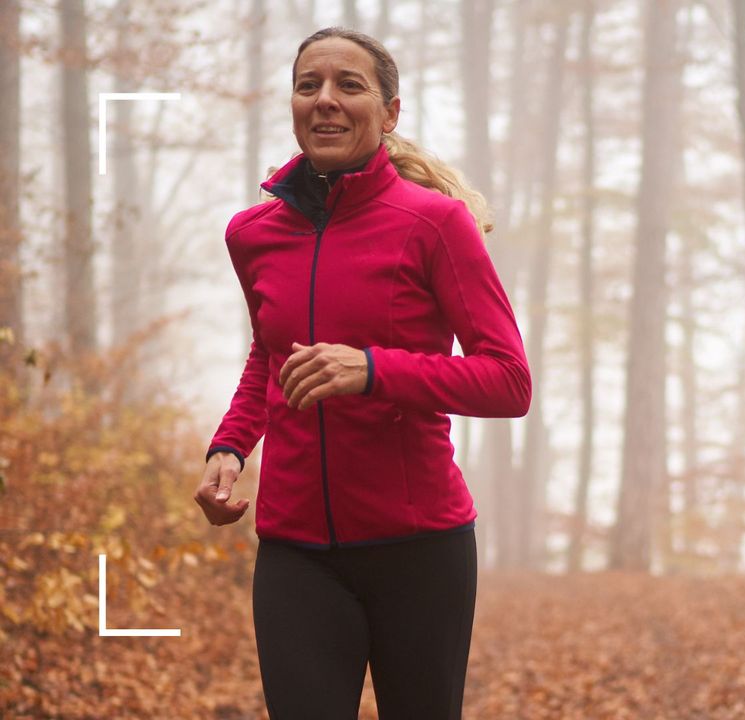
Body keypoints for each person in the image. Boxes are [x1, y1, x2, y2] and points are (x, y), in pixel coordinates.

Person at [193, 26, 531, 720]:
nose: (325, 100)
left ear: (390, 112)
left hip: (420, 550)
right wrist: (229, 447)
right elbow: (269, 356)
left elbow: (508, 381)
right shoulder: (252, 234)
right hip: (296, 551)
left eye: (349, 85)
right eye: (308, 84)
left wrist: (375, 370)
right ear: (291, 102)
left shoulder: (435, 225)